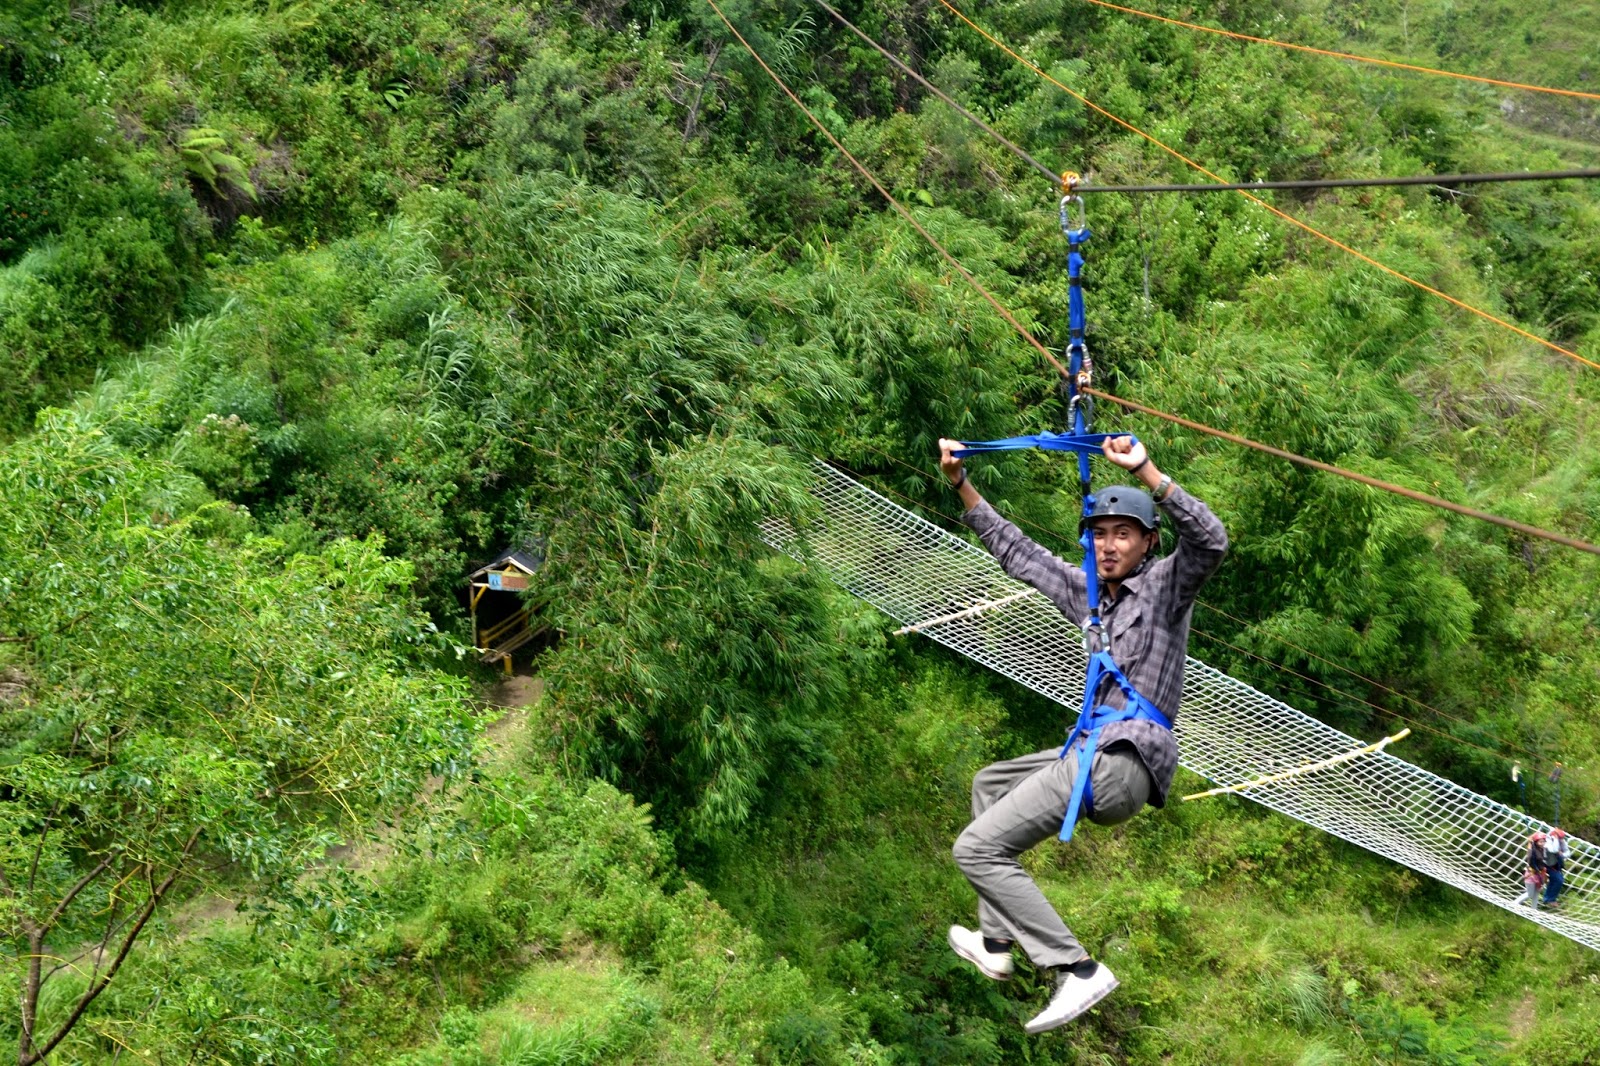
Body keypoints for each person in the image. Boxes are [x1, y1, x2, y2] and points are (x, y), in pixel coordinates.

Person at [938, 434, 1227, 1034]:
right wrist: (960, 483)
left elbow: (1210, 540)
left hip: (1122, 759)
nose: (1109, 544)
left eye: (1124, 533)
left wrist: (1147, 471)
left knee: (975, 848)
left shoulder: (1166, 590)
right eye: (1100, 533)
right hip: (1095, 751)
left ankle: (1077, 967)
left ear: (1148, 542)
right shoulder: (1092, 597)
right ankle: (996, 944)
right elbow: (1019, 554)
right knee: (989, 783)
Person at [1543, 827, 1570, 908]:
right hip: (1546, 865)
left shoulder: (1562, 841)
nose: (1562, 840)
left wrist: (1562, 854)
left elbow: (1568, 852)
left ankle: (1547, 899)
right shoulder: (1547, 842)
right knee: (1558, 880)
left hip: (1556, 864)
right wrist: (1555, 839)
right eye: (1560, 838)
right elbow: (1554, 850)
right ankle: (1550, 899)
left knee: (1555, 881)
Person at [1521, 831, 1548, 907]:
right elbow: (1529, 858)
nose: (1542, 843)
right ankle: (1514, 904)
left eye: (1543, 841)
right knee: (1530, 894)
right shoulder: (1532, 851)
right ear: (1536, 842)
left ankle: (1534, 910)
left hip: (1539, 875)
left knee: (1536, 893)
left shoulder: (1542, 849)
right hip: (1531, 875)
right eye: (1540, 842)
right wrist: (1530, 841)